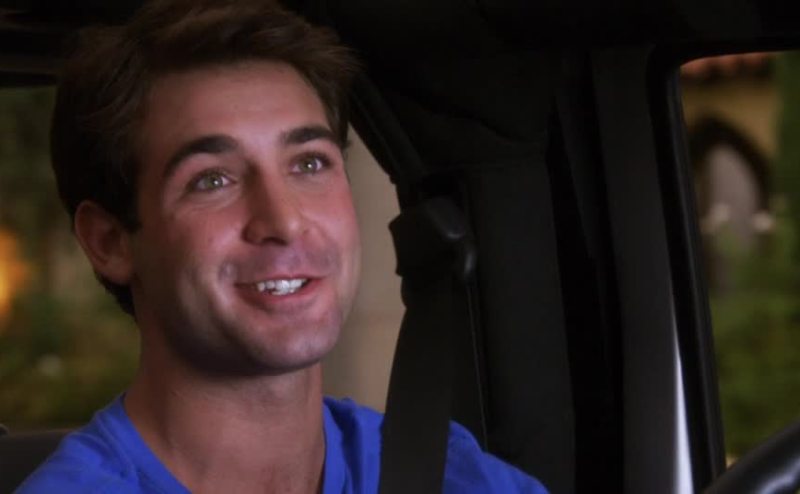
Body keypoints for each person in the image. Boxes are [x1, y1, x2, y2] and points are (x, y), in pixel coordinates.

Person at [17, 0, 549, 492]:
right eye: (212, 180)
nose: (285, 221)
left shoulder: (454, 476)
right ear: (109, 242)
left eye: (309, 163)